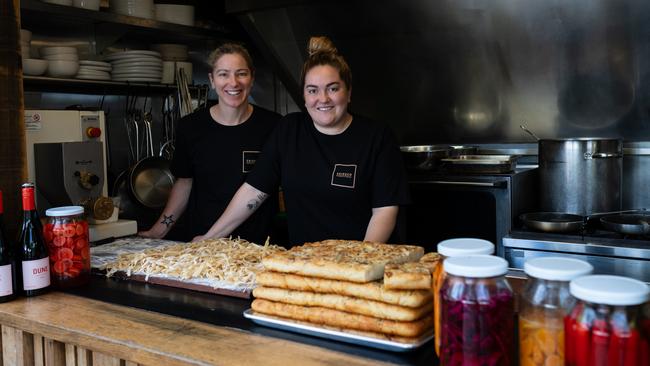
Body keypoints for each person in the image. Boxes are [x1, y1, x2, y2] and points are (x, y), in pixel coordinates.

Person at [193, 36, 410, 246]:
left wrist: (360, 263)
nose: (323, 99)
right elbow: (253, 191)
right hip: (306, 265)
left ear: (349, 92)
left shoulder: (377, 137)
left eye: (333, 88)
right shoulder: (289, 130)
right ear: (304, 96)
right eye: (312, 90)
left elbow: (385, 210)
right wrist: (210, 238)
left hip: (363, 266)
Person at [139, 43, 281, 244]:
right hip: (202, 243)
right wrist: (159, 230)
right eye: (223, 74)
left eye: (241, 73)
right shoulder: (191, 127)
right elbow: (184, 183)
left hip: (258, 244)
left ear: (252, 77)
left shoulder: (274, 126)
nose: (233, 83)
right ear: (212, 80)